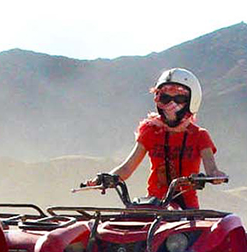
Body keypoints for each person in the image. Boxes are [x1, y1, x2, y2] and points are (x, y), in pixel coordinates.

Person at [86, 68, 226, 209]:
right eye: (165, 98)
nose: (171, 105)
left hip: (186, 208)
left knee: (183, 224)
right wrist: (106, 178)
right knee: (126, 221)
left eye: (179, 98)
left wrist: (215, 176)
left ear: (191, 100)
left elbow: (211, 169)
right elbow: (127, 167)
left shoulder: (199, 135)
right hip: (154, 204)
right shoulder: (150, 131)